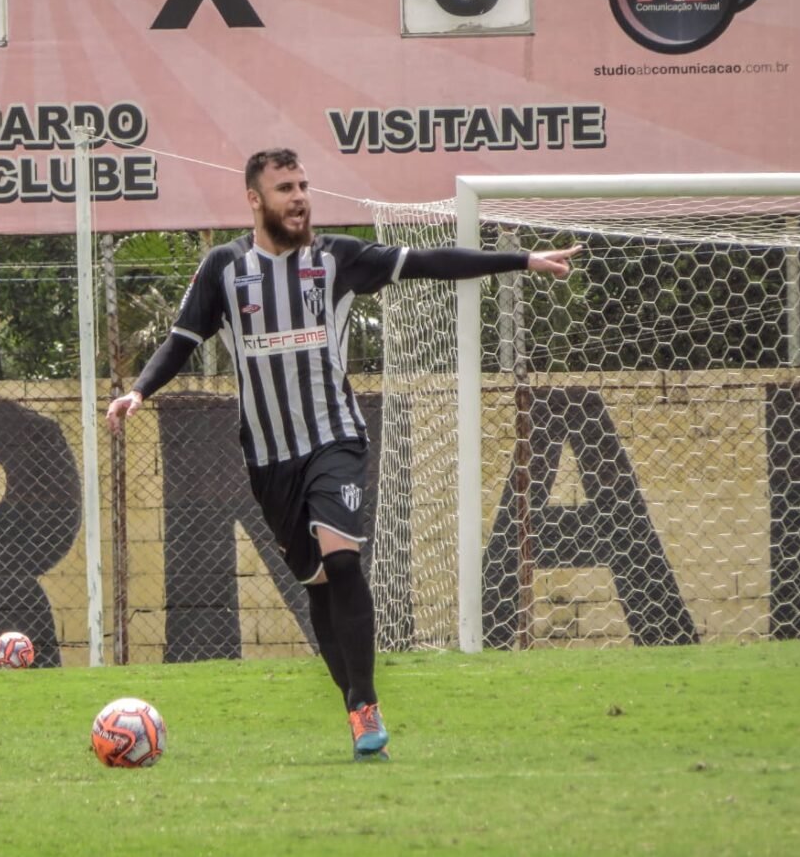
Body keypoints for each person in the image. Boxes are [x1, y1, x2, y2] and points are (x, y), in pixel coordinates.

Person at [106, 148, 580, 761]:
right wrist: (139, 391)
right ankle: (354, 706)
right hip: (269, 460)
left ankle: (365, 702)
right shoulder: (224, 267)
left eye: (303, 185)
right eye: (285, 188)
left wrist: (521, 260)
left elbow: (429, 262)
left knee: (343, 560)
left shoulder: (337, 258)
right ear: (254, 199)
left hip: (336, 438)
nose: (299, 196)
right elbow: (180, 341)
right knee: (318, 583)